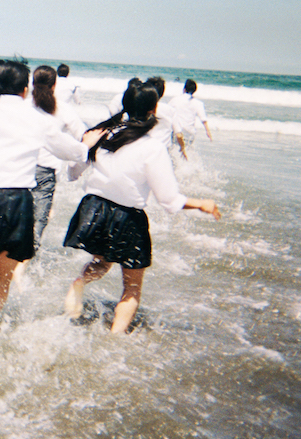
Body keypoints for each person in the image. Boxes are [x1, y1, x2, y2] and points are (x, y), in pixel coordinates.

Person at [0, 61, 103, 338]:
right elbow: (73, 153)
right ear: (26, 91)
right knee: (2, 279)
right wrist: (88, 144)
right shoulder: (39, 119)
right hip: (15, 202)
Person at [62, 81, 221, 333]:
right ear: (152, 111)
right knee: (132, 288)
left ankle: (79, 282)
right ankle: (114, 338)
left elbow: (73, 173)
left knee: (101, 263)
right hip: (126, 217)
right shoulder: (151, 147)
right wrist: (201, 203)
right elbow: (169, 200)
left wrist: (84, 149)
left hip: (92, 209)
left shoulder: (103, 134)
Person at [29, 65, 87, 252]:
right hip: (45, 171)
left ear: (33, 82)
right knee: (37, 225)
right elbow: (84, 137)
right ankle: (25, 272)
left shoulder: (23, 104)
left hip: (18, 166)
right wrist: (75, 168)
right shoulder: (63, 108)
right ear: (54, 85)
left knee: (12, 219)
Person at [170, 78, 213, 159]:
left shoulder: (175, 100)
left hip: (177, 132)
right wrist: (208, 132)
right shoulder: (198, 103)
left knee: (174, 152)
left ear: (184, 89)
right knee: (187, 152)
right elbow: (203, 119)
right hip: (189, 133)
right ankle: (188, 168)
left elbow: (168, 112)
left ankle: (176, 169)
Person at [145, 76, 177, 152]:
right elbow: (178, 133)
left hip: (146, 148)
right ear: (162, 93)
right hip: (164, 149)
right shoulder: (170, 110)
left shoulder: (142, 107)